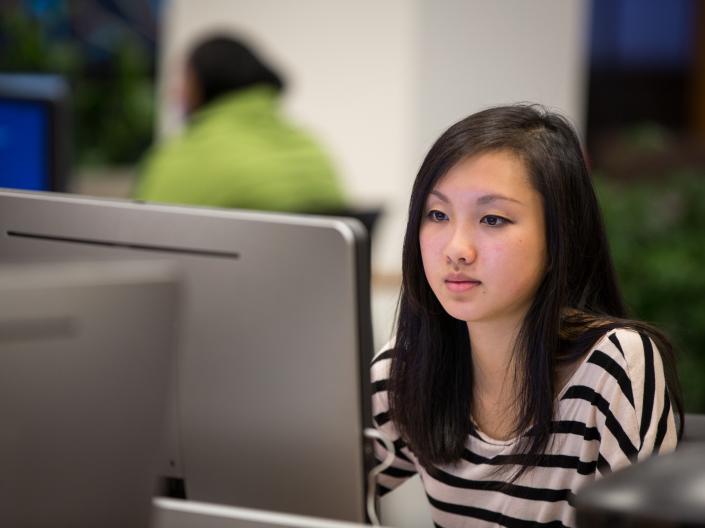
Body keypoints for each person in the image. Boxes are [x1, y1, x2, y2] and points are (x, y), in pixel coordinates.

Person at [371, 104, 683, 527]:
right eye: (438, 215)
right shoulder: (407, 366)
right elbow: (305, 498)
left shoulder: (612, 365)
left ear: (558, 239)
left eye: (493, 219)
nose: (456, 249)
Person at [134, 35, 346, 213]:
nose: (174, 92)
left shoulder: (184, 156)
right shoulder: (309, 146)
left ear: (201, 84)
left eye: (183, 80)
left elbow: (143, 234)